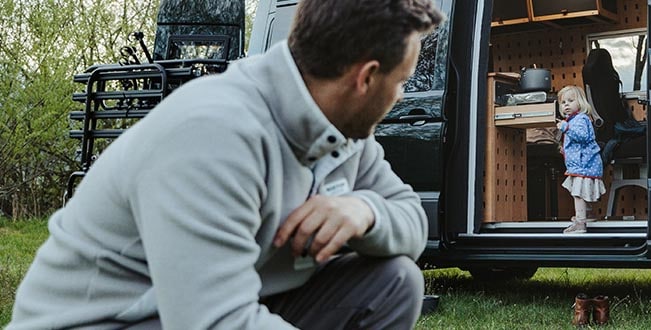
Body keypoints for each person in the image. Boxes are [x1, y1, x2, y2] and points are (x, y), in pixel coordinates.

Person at [8, 0, 445, 329]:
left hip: (210, 308)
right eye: (402, 82)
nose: (402, 97)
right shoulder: (212, 134)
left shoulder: (342, 131)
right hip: (115, 319)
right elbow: (216, 322)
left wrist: (364, 211)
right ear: (365, 78)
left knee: (394, 281)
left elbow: (411, 224)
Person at [556, 85, 606, 234]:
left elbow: (582, 137)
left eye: (571, 101)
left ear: (580, 102)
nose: (566, 104)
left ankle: (580, 223)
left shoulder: (580, 119)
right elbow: (576, 143)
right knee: (582, 191)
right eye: (563, 102)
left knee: (578, 193)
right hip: (583, 164)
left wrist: (566, 128)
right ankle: (588, 215)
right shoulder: (574, 120)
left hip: (584, 164)